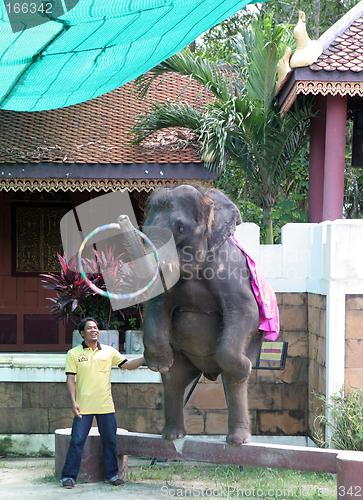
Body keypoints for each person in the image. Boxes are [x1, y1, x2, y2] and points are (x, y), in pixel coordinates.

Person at [61, 317, 145, 489]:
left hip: (105, 405)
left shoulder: (109, 351)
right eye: (90, 328)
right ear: (82, 333)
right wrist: (73, 402)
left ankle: (112, 475)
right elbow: (70, 379)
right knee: (77, 440)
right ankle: (68, 477)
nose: (94, 330)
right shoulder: (73, 354)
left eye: (96, 327)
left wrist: (145, 358)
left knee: (110, 441)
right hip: (83, 406)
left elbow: (127, 365)